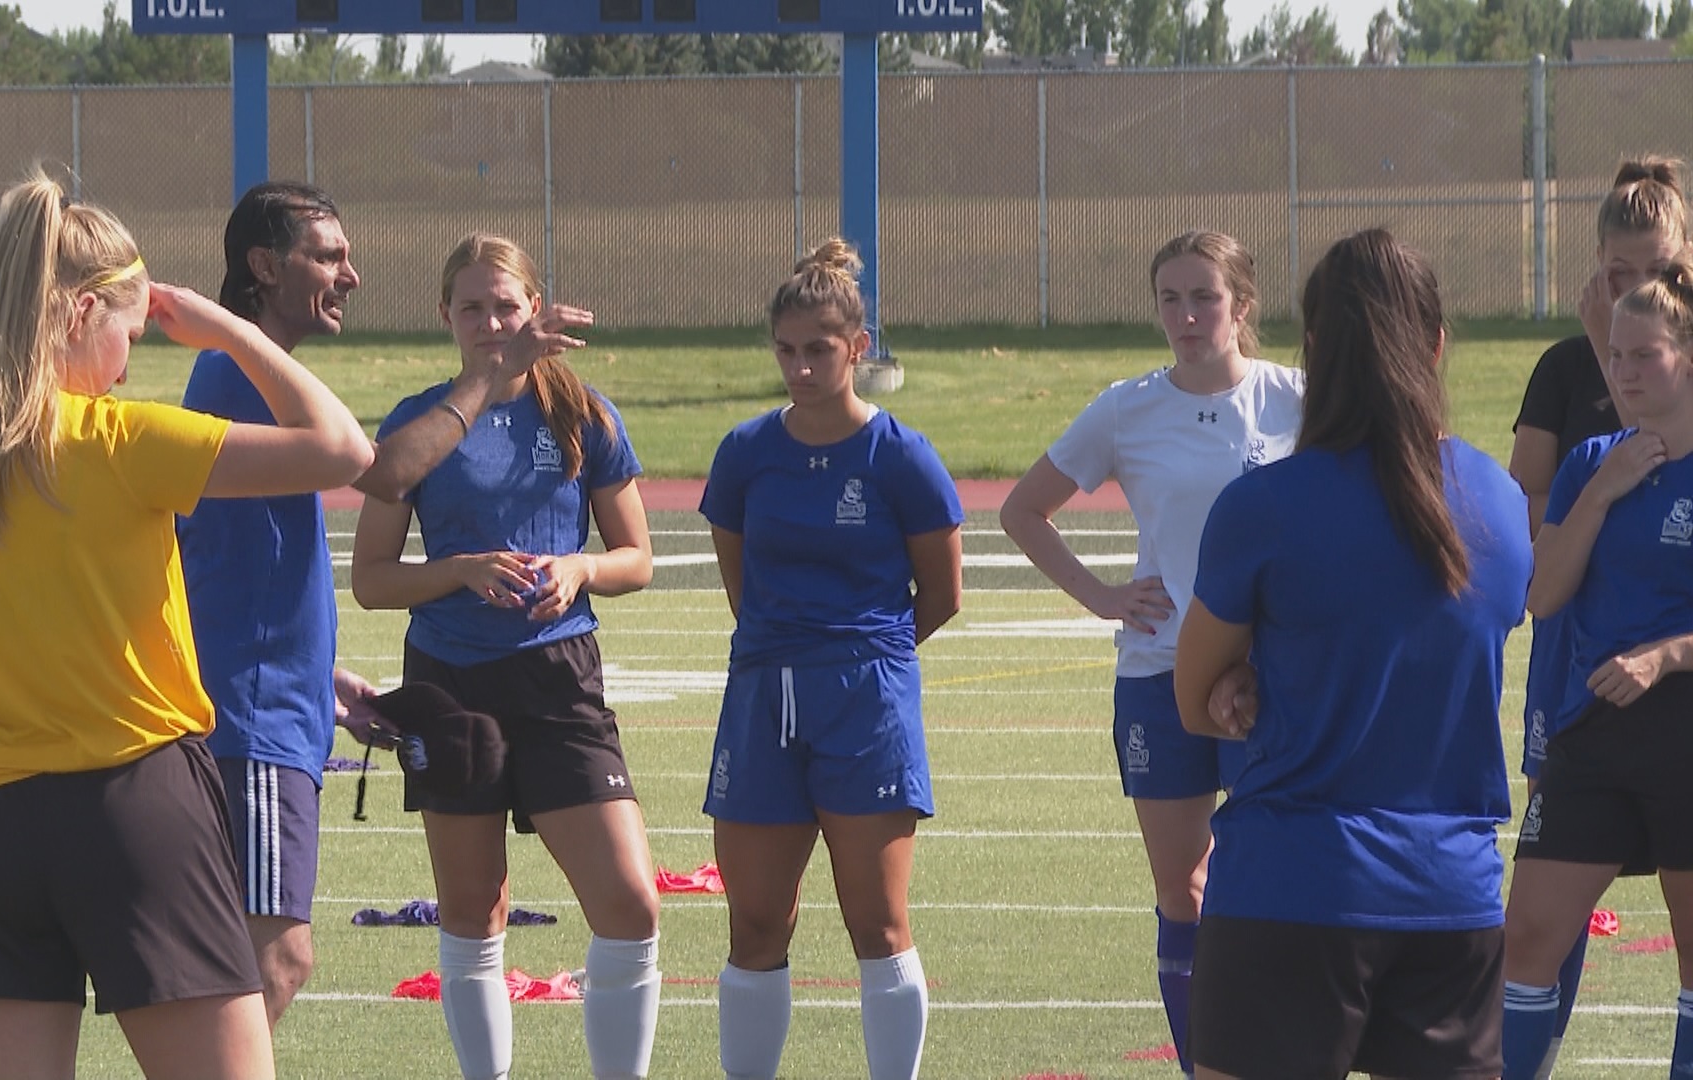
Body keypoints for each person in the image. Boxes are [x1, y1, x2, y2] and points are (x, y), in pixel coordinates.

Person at [0, 174, 373, 1079]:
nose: (131, 364)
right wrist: (230, 330)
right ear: (84, 314)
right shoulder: (119, 441)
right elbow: (344, 446)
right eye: (131, 336)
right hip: (140, 809)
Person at [1172, 228, 1531, 1080]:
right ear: (1438, 346)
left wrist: (1248, 677)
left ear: (1314, 351)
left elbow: (1194, 698)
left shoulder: (1263, 506)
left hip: (1290, 885)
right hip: (1454, 896)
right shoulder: (1503, 504)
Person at [349, 233, 659, 1080]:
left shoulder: (583, 414)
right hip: (449, 683)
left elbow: (638, 557)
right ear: (444, 315)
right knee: (473, 909)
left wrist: (581, 567)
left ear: (535, 309)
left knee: (630, 905)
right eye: (473, 307)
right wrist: (459, 571)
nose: (492, 322)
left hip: (561, 675)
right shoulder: (419, 423)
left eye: (507, 305)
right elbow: (371, 581)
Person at [999, 230, 1300, 1076]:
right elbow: (1023, 511)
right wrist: (1103, 598)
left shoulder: (1297, 401)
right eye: (1170, 298)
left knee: (1271, 880)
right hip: (1159, 675)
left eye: (1204, 296)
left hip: (1269, 680)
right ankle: (1202, 1062)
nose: (1187, 315)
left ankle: (1277, 1052)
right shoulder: (1128, 407)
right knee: (1186, 891)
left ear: (1242, 306)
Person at [700, 239, 964, 1080]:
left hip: (866, 701)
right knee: (755, 927)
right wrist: (792, 651)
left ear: (857, 347)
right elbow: (741, 583)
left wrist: (863, 657)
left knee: (878, 927)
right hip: (763, 694)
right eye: (786, 350)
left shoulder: (902, 456)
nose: (801, 367)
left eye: (820, 349)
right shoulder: (745, 451)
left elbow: (942, 593)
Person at [175, 180, 384, 1028]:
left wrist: (319, 674)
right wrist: (489, 374)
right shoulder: (239, 373)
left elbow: (225, 564)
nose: (350, 275)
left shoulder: (243, 376)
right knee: (274, 959)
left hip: (271, 706)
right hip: (251, 725)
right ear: (265, 265)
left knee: (246, 961)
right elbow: (383, 469)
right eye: (329, 256)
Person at [1504, 156, 1686, 1076]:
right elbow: (1532, 562)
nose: (1632, 290)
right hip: (1583, 688)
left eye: (1652, 270)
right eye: (1616, 275)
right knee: (1535, 919)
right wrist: (1602, 487)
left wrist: (1667, 655)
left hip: (1681, 706)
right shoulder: (1578, 401)